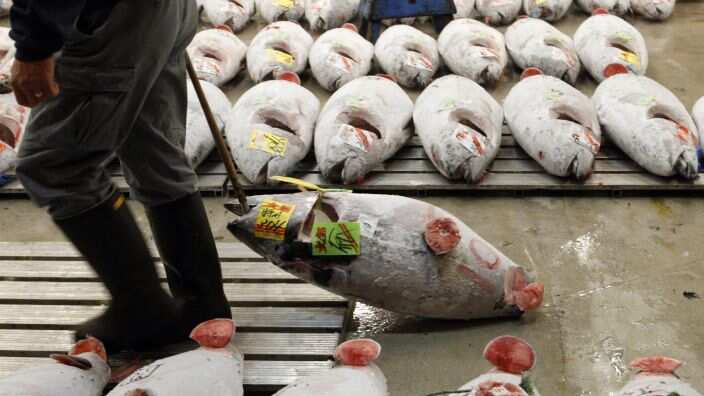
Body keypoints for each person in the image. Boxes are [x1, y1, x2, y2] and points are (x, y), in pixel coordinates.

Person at [9, 0, 232, 353]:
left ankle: (142, 308)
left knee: (55, 167)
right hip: (160, 13)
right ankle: (202, 304)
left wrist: (35, 44)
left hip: (111, 18)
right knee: (154, 149)